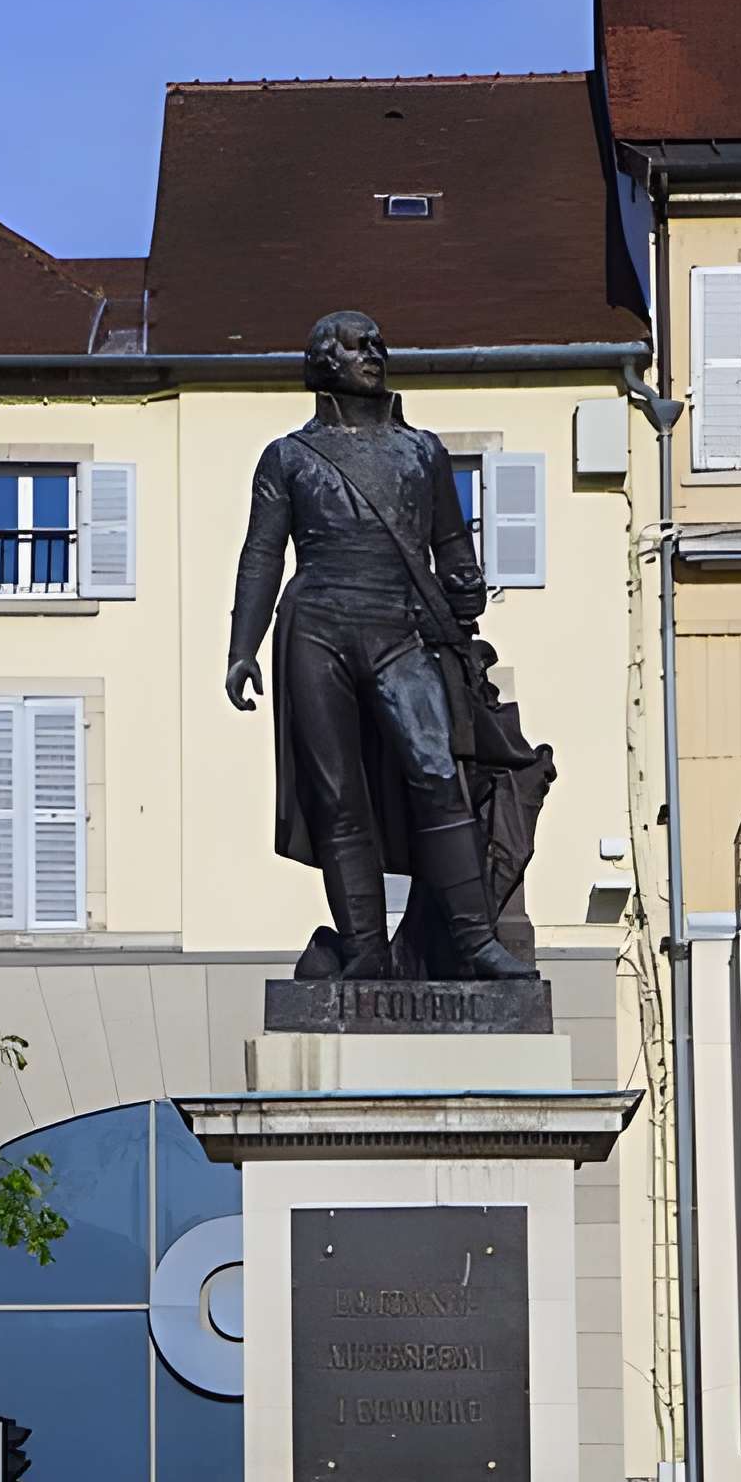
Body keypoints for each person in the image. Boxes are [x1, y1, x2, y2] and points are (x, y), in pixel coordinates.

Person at [226, 310, 545, 981]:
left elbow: (450, 541)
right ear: (324, 361)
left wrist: (465, 587)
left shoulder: (422, 451)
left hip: (401, 625)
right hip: (315, 627)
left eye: (378, 342)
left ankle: (474, 940)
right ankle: (365, 949)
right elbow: (262, 554)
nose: (376, 351)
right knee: (336, 794)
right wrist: (242, 647)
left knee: (437, 773)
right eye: (358, 345)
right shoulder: (289, 456)